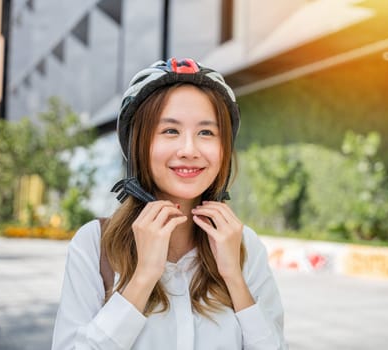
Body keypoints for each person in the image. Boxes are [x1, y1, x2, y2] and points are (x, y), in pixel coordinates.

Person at [51, 58, 287, 349]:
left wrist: (234, 278)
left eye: (206, 133)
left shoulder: (244, 245)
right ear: (138, 145)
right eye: (170, 131)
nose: (189, 150)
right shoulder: (95, 244)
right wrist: (144, 276)